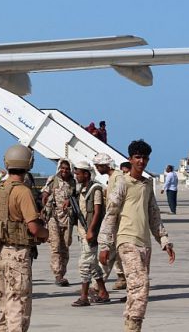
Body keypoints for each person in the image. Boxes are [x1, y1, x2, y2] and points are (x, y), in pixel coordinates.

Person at [99, 140, 175, 332]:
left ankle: (132, 326)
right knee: (140, 287)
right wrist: (105, 244)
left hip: (144, 244)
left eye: (145, 158)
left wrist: (164, 240)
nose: (141, 161)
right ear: (130, 159)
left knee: (136, 291)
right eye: (137, 157)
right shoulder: (123, 183)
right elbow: (111, 213)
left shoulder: (147, 184)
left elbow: (154, 215)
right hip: (126, 241)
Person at [0, 144, 49, 331]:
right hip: (17, 255)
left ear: (6, 163)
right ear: (29, 164)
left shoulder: (1, 188)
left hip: (0, 253)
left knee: (4, 306)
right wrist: (47, 234)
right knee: (18, 308)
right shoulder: (23, 191)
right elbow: (33, 228)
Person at [71, 160, 109, 307]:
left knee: (84, 264)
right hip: (83, 232)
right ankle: (103, 293)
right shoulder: (82, 189)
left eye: (78, 173)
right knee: (93, 265)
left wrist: (91, 230)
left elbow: (98, 211)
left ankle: (84, 296)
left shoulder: (96, 189)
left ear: (86, 174)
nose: (76, 176)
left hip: (90, 233)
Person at [93, 153, 127, 290]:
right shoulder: (113, 178)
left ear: (103, 165)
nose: (96, 169)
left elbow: (114, 207)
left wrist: (106, 229)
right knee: (111, 258)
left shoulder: (118, 178)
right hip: (115, 225)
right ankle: (96, 286)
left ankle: (96, 287)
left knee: (107, 257)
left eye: (97, 166)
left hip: (116, 225)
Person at [40, 159, 75, 286]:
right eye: (62, 168)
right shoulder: (53, 179)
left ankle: (62, 273)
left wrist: (70, 201)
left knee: (65, 247)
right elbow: (45, 191)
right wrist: (44, 197)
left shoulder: (73, 182)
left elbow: (77, 196)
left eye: (67, 169)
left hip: (67, 219)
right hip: (53, 217)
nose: (64, 171)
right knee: (55, 246)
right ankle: (58, 274)